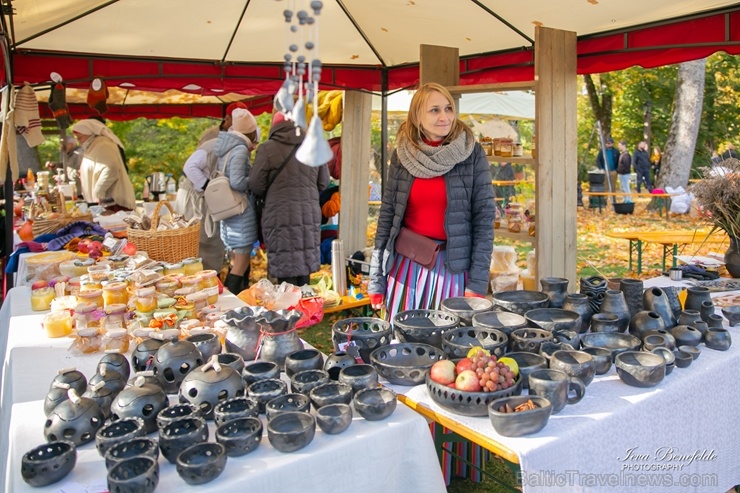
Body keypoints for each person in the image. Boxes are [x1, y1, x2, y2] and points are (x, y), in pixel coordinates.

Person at [368, 82, 495, 319]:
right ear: (417, 116)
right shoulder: (403, 155)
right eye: (434, 110)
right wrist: (376, 279)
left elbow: (484, 219)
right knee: (403, 345)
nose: (444, 116)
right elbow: (387, 216)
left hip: (452, 268)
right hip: (407, 266)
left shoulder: (471, 154)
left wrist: (477, 282)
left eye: (448, 108)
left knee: (446, 346)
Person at [250, 112, 329, 286]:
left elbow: (256, 185)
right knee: (304, 264)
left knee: (285, 268)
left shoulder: (267, 149)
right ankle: (308, 308)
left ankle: (289, 310)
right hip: (308, 214)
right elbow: (323, 183)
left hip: (279, 214)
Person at [216, 108, 260, 294]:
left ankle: (241, 299)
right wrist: (255, 179)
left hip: (229, 212)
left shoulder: (225, 147)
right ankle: (231, 303)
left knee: (236, 260)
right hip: (240, 212)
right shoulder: (240, 149)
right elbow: (237, 182)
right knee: (240, 265)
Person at [174, 128, 227, 273]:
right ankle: (202, 283)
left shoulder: (218, 142)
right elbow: (190, 167)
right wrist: (207, 186)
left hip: (195, 197)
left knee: (195, 244)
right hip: (197, 199)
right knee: (204, 244)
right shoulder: (216, 144)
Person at [71, 119, 135, 211]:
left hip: (112, 204)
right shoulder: (93, 146)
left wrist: (98, 193)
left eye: (80, 137)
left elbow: (111, 169)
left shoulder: (103, 145)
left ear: (89, 133)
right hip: (104, 203)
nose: (78, 141)